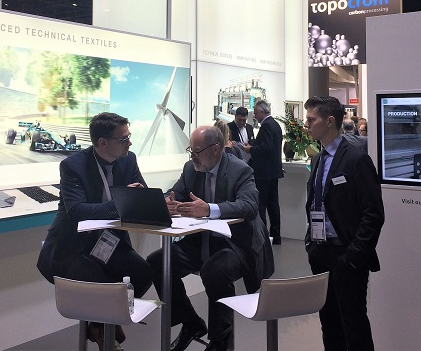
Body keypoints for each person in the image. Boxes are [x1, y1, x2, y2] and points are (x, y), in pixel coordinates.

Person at [147, 126, 274, 351]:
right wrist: (167, 201)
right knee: (158, 262)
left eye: (197, 151)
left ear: (215, 149)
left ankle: (220, 341)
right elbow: (176, 192)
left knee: (214, 271)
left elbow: (249, 206)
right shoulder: (191, 169)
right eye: (190, 150)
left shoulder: (240, 170)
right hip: (202, 240)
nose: (192, 156)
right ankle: (191, 323)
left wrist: (210, 209)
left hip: (236, 242)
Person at [37, 112, 153, 351]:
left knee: (143, 274)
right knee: (108, 289)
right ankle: (105, 329)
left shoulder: (128, 160)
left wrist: (157, 202)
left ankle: (100, 326)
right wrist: (121, 203)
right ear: (103, 142)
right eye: (123, 139)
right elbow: (77, 211)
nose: (129, 143)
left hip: (108, 243)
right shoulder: (73, 166)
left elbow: (141, 195)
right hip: (73, 248)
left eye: (129, 136)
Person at [303, 96, 385, 351]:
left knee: (354, 326)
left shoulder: (356, 159)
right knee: (329, 326)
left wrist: (353, 257)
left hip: (346, 256)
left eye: (311, 120)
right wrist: (310, 243)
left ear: (329, 121)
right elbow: (315, 203)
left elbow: (373, 214)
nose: (306, 125)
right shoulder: (317, 159)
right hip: (321, 253)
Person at [241, 100, 283, 245]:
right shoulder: (275, 125)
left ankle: (263, 236)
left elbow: (266, 148)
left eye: (256, 113)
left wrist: (250, 149)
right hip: (273, 171)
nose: (255, 116)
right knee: (273, 204)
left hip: (264, 172)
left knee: (262, 204)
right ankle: (276, 235)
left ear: (262, 112)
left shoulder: (266, 126)